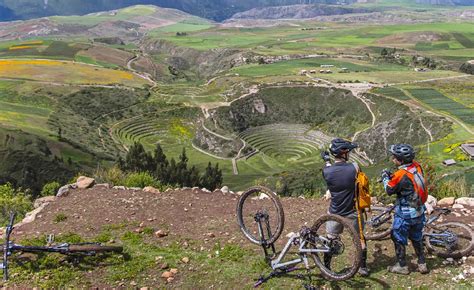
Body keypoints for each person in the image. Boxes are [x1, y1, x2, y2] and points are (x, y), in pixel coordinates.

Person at [321, 138, 369, 277]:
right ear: (344, 154)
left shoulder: (326, 171)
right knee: (360, 239)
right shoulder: (355, 167)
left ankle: (326, 267)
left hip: (335, 212)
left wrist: (326, 160)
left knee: (330, 238)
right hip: (353, 211)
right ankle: (363, 267)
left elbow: (331, 170)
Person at [381, 143, 428, 275]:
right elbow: (409, 184)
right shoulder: (417, 166)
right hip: (419, 211)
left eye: (394, 157)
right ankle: (422, 263)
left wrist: (385, 177)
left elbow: (389, 190)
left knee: (397, 236)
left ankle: (402, 265)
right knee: (417, 237)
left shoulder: (400, 174)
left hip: (405, 214)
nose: (392, 159)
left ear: (400, 160)